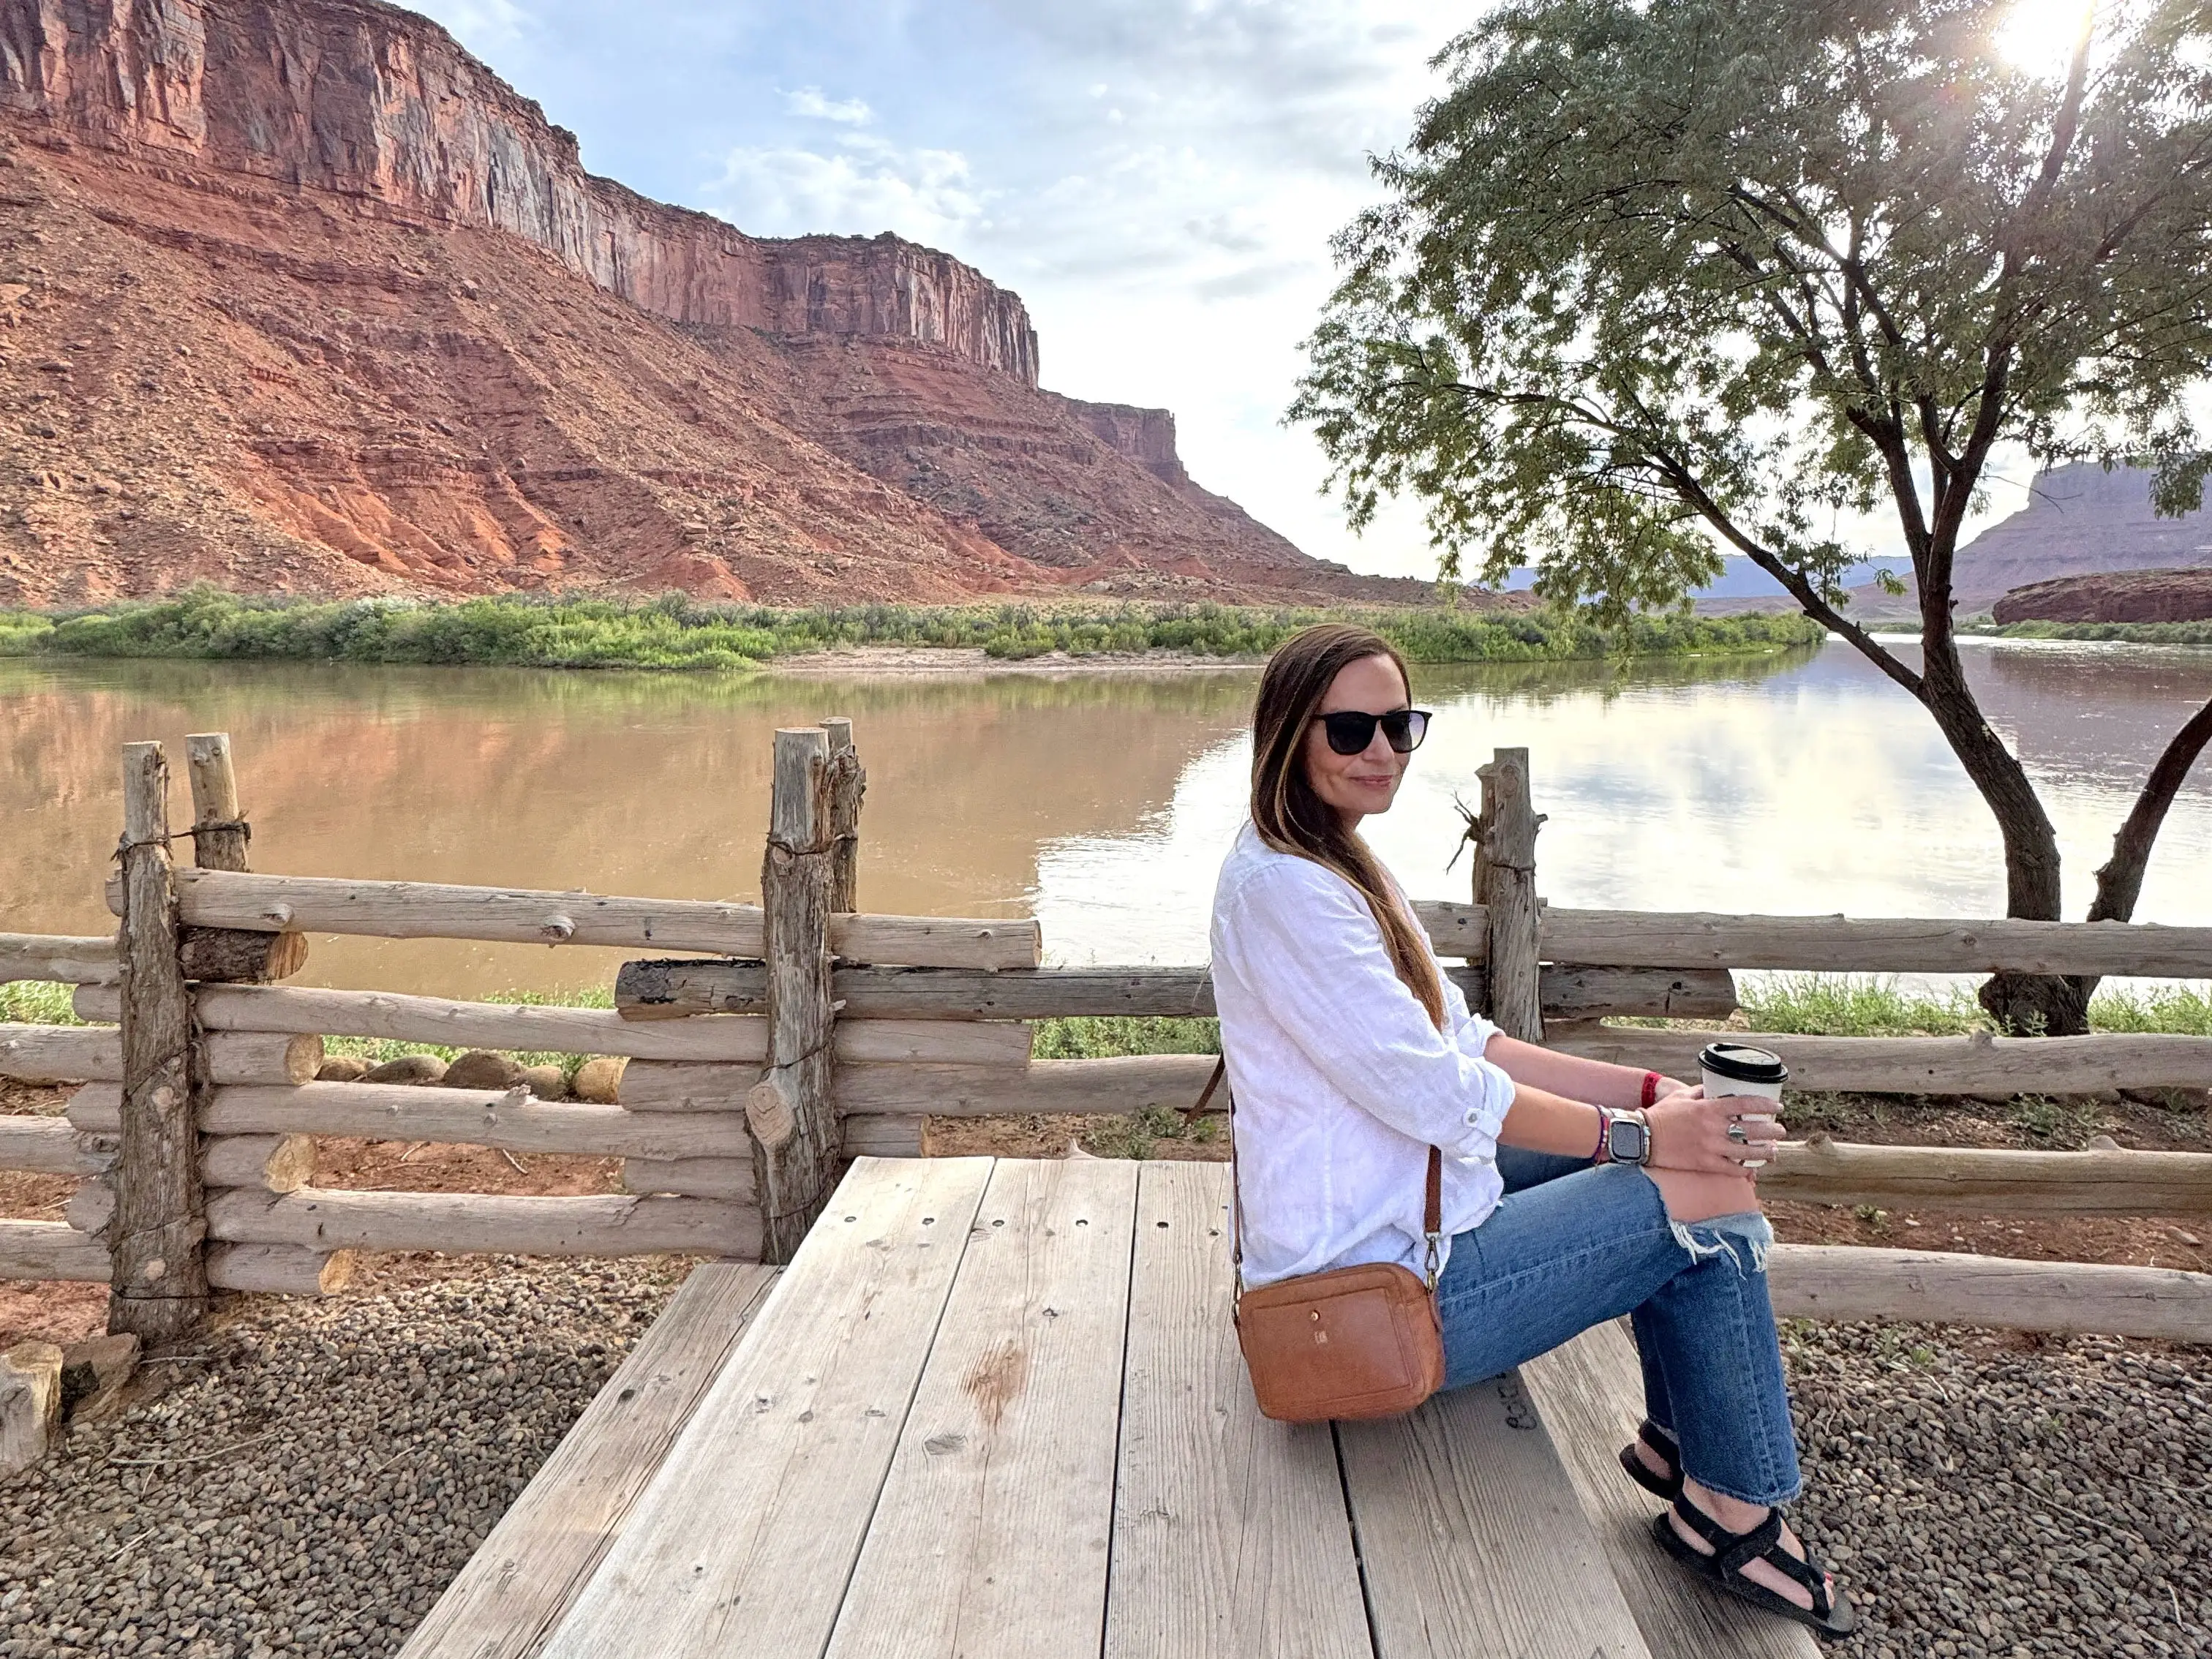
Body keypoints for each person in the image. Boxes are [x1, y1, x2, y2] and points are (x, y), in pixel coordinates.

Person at [1209, 622, 1854, 1642]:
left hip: (1391, 1203)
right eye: (1350, 728)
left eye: (1400, 724)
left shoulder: (1334, 860)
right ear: (1289, 733)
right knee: (1713, 1203)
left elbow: (1472, 1045)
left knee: (1700, 1164)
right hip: (1373, 1288)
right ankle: (1733, 1510)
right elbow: (1438, 1094)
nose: (1383, 750)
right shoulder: (1289, 889)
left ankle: (1684, 1453)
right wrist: (1641, 1143)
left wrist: (1651, 1095)